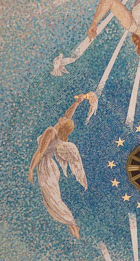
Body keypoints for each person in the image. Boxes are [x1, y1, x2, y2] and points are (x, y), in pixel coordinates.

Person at [28, 93, 97, 239]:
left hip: (45, 167)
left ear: (62, 125)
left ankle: (72, 224)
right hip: (48, 166)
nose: (65, 117)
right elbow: (68, 116)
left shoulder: (50, 131)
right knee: (52, 198)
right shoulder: (57, 132)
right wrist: (77, 103)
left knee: (53, 199)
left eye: (64, 120)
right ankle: (72, 225)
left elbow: (40, 152)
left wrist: (30, 169)